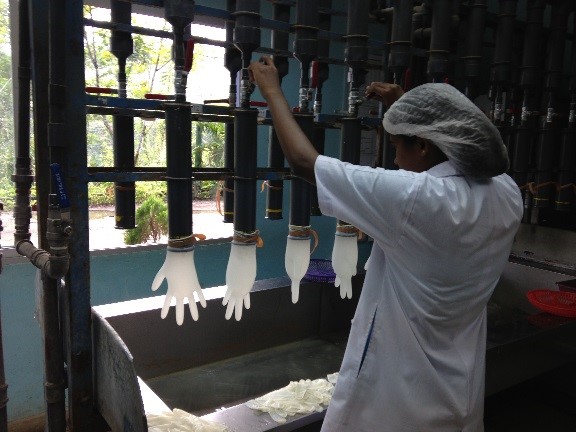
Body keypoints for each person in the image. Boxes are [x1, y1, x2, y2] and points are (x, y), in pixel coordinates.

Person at [249, 57, 523, 432]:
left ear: (424, 147)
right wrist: (406, 105)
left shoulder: (418, 199)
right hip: (458, 395)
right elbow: (452, 142)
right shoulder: (507, 192)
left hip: (397, 406)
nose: (394, 158)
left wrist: (272, 90)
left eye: (396, 146)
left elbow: (302, 160)